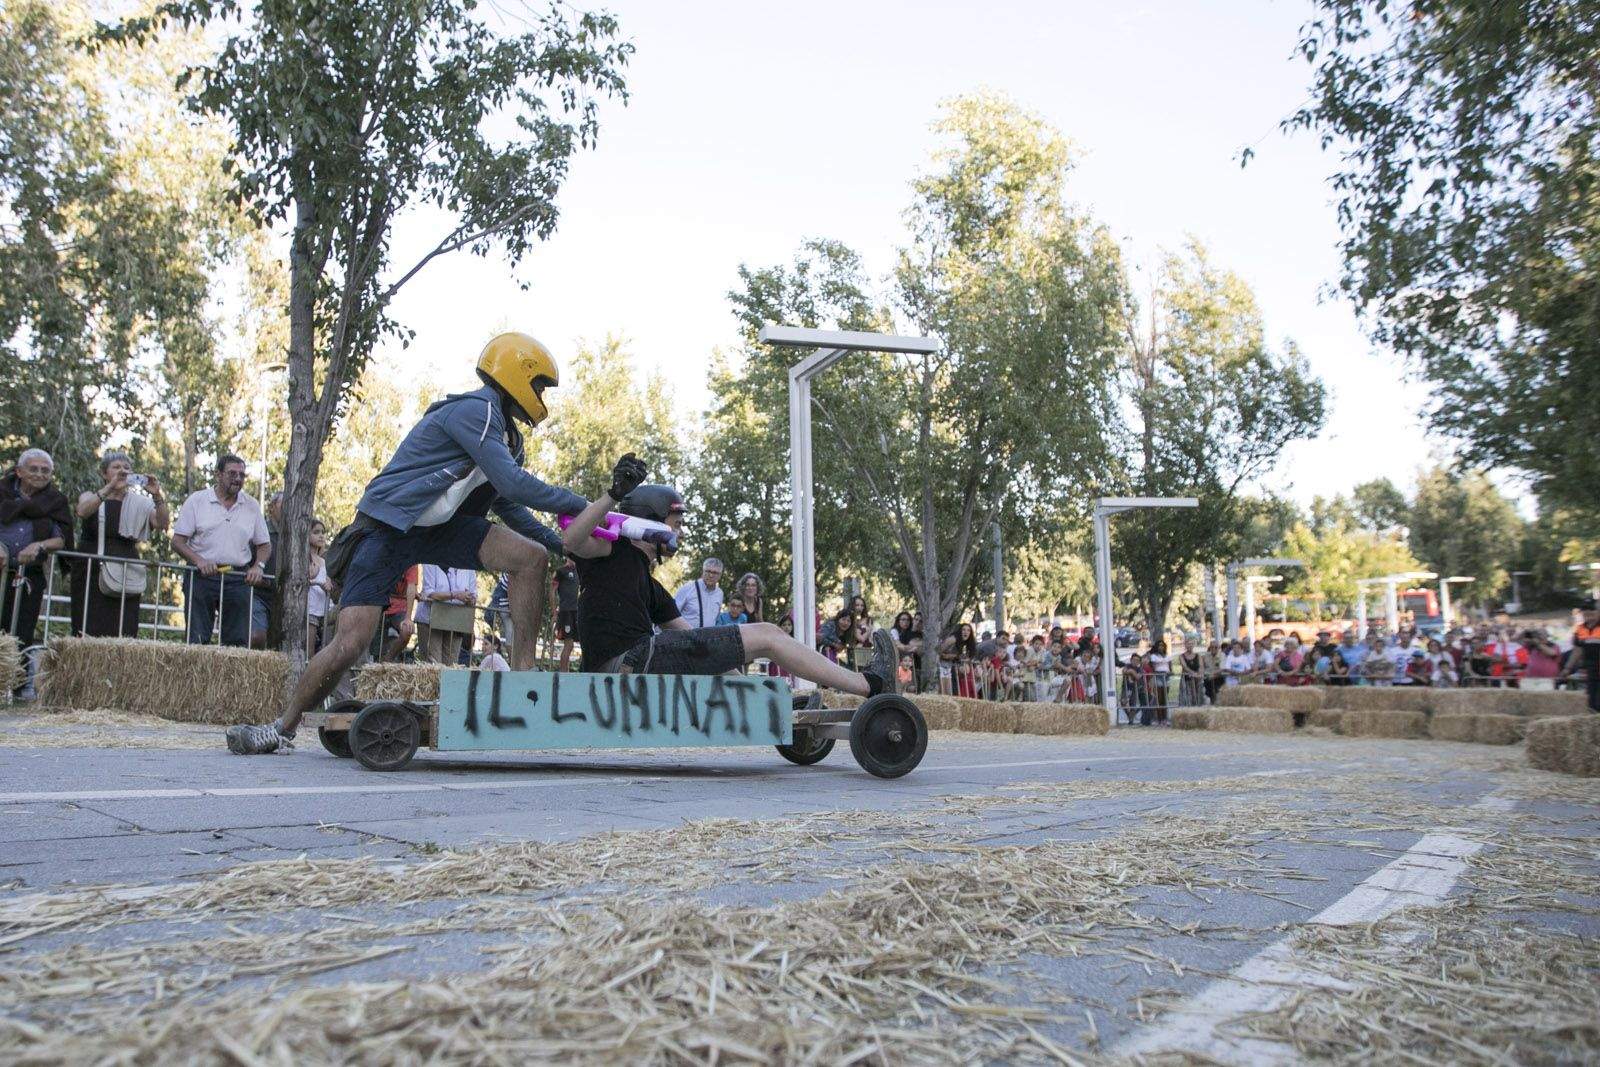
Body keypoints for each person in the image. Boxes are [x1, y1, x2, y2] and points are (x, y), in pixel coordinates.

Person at [227, 331, 588, 754]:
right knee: (350, 642)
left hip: (441, 528)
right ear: (517, 374)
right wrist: (582, 505)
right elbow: (513, 484)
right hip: (389, 527)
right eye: (539, 385)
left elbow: (505, 503)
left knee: (532, 556)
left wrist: (561, 545)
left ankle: (523, 679)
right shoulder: (475, 411)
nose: (541, 396)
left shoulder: (510, 438)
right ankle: (281, 728)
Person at [561, 472, 897, 697]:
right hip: (624, 664)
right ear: (651, 522)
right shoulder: (612, 550)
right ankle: (869, 684)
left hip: (641, 659)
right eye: (676, 524)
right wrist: (613, 495)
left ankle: (781, 699)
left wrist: (757, 694)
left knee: (765, 638)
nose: (680, 534)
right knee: (768, 634)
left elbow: (703, 647)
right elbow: (571, 539)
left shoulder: (652, 589)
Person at [173, 454, 271, 647]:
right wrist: (199, 561)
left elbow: (265, 545)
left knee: (237, 644)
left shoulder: (251, 505)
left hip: (238, 577)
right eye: (232, 473)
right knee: (197, 639)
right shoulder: (197, 501)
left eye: (242, 475)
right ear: (218, 474)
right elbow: (177, 542)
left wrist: (258, 566)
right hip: (201, 577)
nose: (237, 479)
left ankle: (232, 668)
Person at [70, 452, 167, 639]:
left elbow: (162, 523)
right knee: (87, 627)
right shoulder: (90, 496)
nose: (122, 471)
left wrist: (157, 495)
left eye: (126, 468)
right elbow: (82, 511)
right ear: (104, 473)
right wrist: (109, 488)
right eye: (116, 467)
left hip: (126, 569)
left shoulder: (140, 503)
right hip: (91, 569)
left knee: (123, 628)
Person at [0, 449, 73, 651]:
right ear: (19, 471)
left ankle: (19, 672)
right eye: (33, 469)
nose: (40, 474)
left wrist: (39, 545)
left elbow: (61, 539)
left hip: (29, 576)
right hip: (1, 569)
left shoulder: (55, 501)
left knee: (21, 637)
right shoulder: (2, 492)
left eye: (45, 470)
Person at [417, 564, 476, 665]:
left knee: (451, 665)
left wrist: (470, 599)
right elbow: (429, 593)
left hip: (455, 623)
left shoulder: (469, 567)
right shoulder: (431, 562)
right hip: (430, 620)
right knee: (433, 665)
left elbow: (473, 595)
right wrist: (456, 595)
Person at [1559, 600, 1599, 711]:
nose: (1588, 613)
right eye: (1585, 611)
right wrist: (1567, 668)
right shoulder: (1580, 629)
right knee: (1592, 702)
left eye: (1592, 610)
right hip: (1591, 669)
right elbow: (1577, 650)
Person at [381, 566, 420, 662]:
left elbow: (411, 586)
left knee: (407, 630)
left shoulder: (411, 561)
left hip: (399, 608)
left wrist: (408, 618)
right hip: (379, 605)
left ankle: (388, 659)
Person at [673, 558, 724, 629]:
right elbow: (672, 614)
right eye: (708, 571)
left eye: (715, 573)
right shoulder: (688, 588)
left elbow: (716, 618)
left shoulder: (719, 593)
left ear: (720, 575)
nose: (711, 575)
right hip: (685, 634)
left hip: (707, 635)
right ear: (703, 571)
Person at [306, 519, 332, 653]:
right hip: (311, 609)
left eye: (323, 532)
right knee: (309, 651)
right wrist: (314, 579)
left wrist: (328, 583)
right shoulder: (303, 557)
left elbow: (326, 580)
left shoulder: (323, 560)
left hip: (325, 609)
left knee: (325, 650)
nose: (321, 536)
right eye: (316, 532)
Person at [552, 559, 579, 671]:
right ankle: (563, 675)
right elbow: (552, 591)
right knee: (569, 644)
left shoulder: (578, 570)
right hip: (565, 612)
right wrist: (554, 613)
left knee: (572, 645)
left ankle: (566, 673)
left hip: (576, 612)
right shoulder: (560, 571)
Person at [942, 623, 978, 698]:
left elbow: (968, 658)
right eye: (963, 630)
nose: (966, 632)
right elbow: (938, 652)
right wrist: (954, 656)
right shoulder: (953, 639)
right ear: (960, 631)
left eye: (968, 630)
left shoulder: (967, 643)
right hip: (945, 667)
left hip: (955, 668)